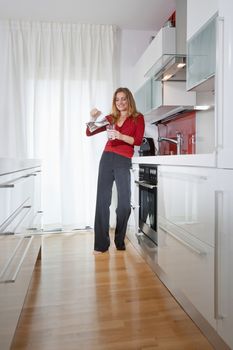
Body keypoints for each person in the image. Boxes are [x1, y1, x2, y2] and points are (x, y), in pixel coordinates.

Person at [86, 87, 145, 254]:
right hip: (106, 158)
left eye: (123, 99)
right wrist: (93, 117)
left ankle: (119, 239)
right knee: (102, 201)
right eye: (117, 99)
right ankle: (101, 245)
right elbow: (89, 132)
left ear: (129, 100)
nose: (120, 102)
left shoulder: (137, 118)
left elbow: (138, 140)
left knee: (124, 204)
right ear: (115, 102)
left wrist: (120, 136)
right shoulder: (110, 118)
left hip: (123, 160)